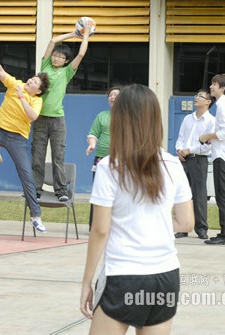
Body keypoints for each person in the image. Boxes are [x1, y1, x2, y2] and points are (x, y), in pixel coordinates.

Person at [80, 84, 194, 334]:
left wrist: (87, 282)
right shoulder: (173, 165)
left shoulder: (109, 167)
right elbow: (186, 223)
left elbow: (100, 230)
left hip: (123, 275)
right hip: (166, 275)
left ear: (119, 121)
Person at [0, 52, 50, 233]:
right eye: (31, 79)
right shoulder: (16, 84)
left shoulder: (36, 100)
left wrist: (22, 98)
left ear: (38, 91)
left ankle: (36, 216)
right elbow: (1, 72)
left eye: (34, 83)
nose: (29, 82)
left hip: (18, 139)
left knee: (26, 176)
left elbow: (33, 117)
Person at [32, 19, 94, 202]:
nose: (56, 58)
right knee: (37, 155)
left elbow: (81, 54)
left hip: (58, 119)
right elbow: (52, 41)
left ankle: (61, 191)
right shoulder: (44, 66)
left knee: (58, 156)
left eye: (61, 57)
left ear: (66, 61)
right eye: (55, 55)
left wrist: (86, 35)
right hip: (40, 118)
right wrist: (74, 34)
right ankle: (36, 188)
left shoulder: (67, 72)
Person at [199, 74, 225, 245]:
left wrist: (207, 136)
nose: (211, 86)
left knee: (223, 196)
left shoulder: (223, 105)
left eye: (214, 84)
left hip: (223, 156)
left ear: (222, 88)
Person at [175, 89, 215, 240]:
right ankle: (183, 227)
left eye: (200, 96)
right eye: (196, 95)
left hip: (199, 160)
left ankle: (201, 228)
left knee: (199, 195)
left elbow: (208, 146)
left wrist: (188, 149)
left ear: (208, 102)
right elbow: (180, 138)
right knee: (182, 194)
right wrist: (179, 150)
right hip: (183, 160)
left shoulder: (212, 121)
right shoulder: (187, 119)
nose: (196, 98)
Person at [85, 86, 121, 229]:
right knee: (98, 194)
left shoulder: (130, 116)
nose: (112, 97)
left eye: (116, 95)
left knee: (120, 195)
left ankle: (116, 227)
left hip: (122, 162)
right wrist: (92, 145)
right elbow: (93, 134)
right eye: (110, 95)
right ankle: (95, 226)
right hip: (101, 160)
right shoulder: (102, 115)